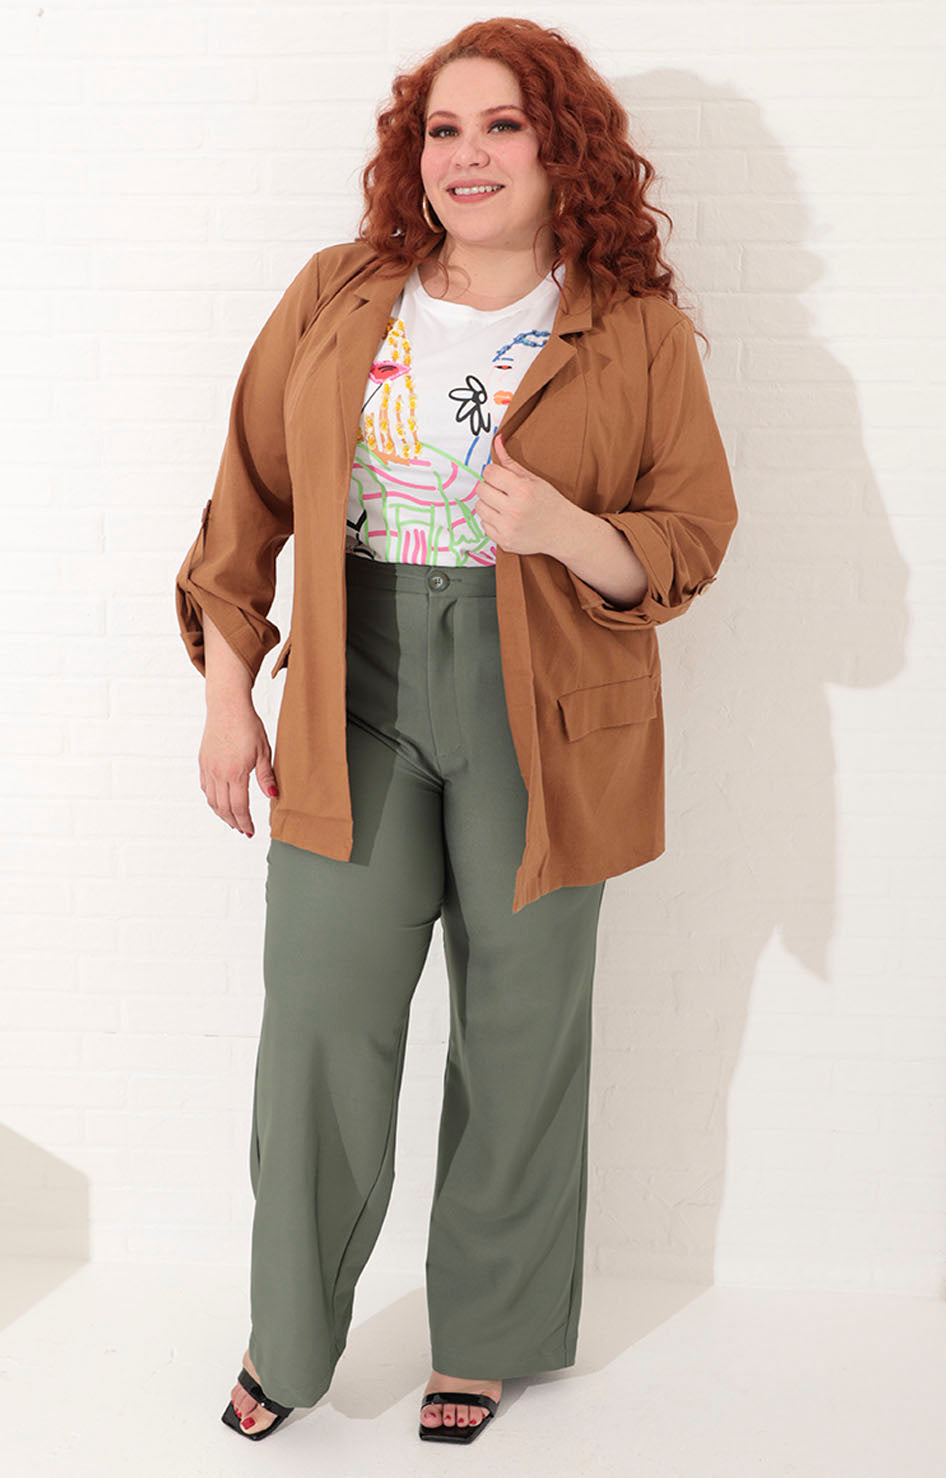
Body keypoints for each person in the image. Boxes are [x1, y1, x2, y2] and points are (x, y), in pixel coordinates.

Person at [174, 16, 738, 1449]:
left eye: (502, 126)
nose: (466, 156)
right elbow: (245, 501)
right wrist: (228, 698)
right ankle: (289, 1333)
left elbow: (688, 536)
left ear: (561, 149)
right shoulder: (339, 292)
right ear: (411, 153)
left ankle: (487, 1333)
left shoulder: (633, 328)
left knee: (520, 1028)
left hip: (545, 701)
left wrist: (563, 528)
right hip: (351, 686)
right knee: (320, 1016)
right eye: (442, 129)